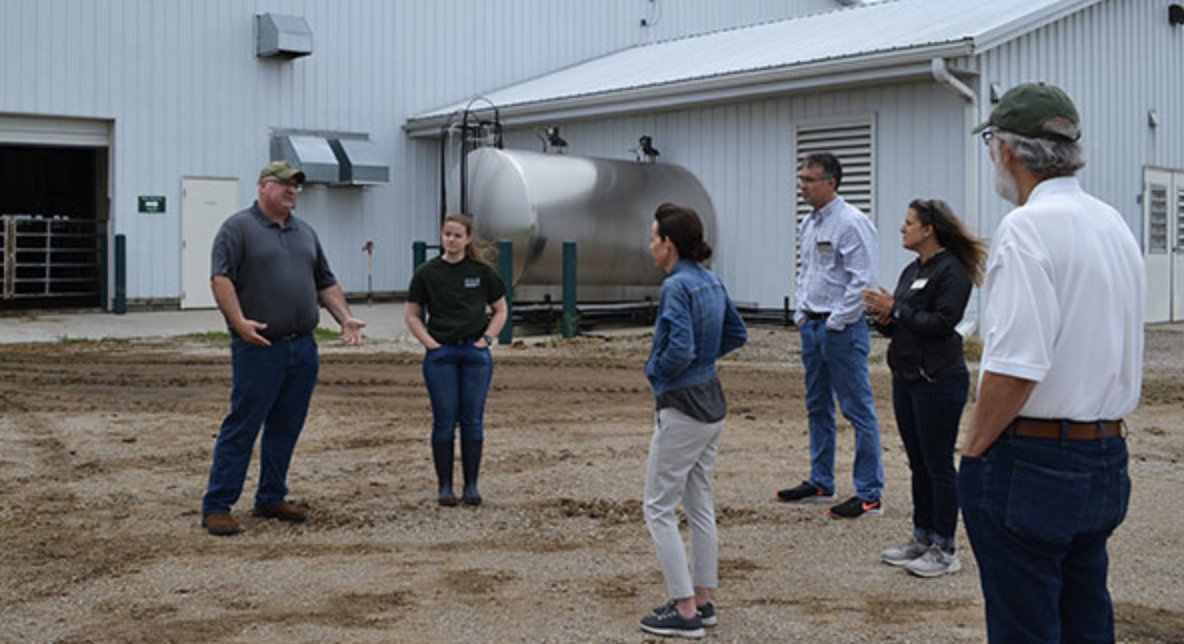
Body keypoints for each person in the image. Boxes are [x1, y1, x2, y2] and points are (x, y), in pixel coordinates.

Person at [960, 82, 1144, 642]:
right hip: (1104, 450)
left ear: (1007, 150)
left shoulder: (1025, 229)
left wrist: (974, 449)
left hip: (1035, 457)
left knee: (1025, 623)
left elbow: (1016, 365)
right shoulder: (1112, 223)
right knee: (1086, 614)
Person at [201, 160, 366, 536]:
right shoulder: (238, 228)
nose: (292, 190)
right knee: (243, 425)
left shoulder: (304, 232)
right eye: (284, 183)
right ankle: (217, 505)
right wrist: (238, 322)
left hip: (302, 348)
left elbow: (325, 282)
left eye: (296, 185)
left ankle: (271, 496)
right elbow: (221, 278)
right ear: (263, 186)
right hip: (259, 347)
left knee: (286, 426)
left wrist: (344, 317)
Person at [640, 203, 747, 639]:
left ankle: (684, 610)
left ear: (669, 244)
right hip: (711, 404)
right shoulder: (711, 280)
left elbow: (679, 349)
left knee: (658, 507)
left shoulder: (676, 286)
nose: (650, 245)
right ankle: (702, 599)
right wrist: (703, 362)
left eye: (653, 238)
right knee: (699, 503)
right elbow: (737, 333)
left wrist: (656, 371)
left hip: (682, 407)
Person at [864, 198, 985, 578]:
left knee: (937, 464)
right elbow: (904, 323)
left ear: (929, 229)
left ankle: (946, 548)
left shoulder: (953, 271)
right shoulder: (912, 270)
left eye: (909, 223)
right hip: (907, 378)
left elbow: (943, 323)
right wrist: (884, 317)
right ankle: (923, 536)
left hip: (938, 379)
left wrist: (897, 309)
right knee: (918, 463)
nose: (902, 228)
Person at [776, 152, 885, 519]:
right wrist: (802, 313)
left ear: (831, 183)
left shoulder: (852, 223)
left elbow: (863, 280)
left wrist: (837, 321)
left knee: (857, 408)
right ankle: (821, 480)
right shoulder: (809, 224)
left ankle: (869, 493)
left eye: (809, 180)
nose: (802, 186)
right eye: (802, 179)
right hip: (813, 325)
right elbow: (807, 271)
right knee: (817, 405)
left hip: (841, 329)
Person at [404, 214, 507, 507]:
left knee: (472, 419)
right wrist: (430, 344)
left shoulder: (482, 273)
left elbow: (500, 309)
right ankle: (445, 487)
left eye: (457, 235)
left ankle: (471, 485)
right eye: (447, 234)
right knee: (444, 421)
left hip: (474, 355)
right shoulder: (427, 273)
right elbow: (412, 314)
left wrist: (487, 339)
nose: (451, 240)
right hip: (442, 356)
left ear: (467, 239)